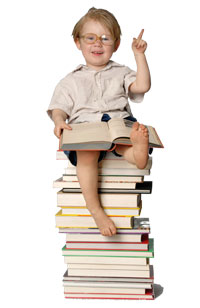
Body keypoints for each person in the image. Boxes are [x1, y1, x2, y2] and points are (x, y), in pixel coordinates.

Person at [47, 7, 151, 237]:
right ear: (78, 42)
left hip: (117, 122)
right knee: (87, 154)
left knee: (125, 141)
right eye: (90, 38)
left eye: (105, 39)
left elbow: (142, 86)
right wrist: (59, 121)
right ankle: (95, 208)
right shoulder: (70, 80)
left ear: (116, 45)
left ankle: (138, 154)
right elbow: (58, 107)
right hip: (86, 129)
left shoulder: (122, 72)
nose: (98, 44)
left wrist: (139, 56)